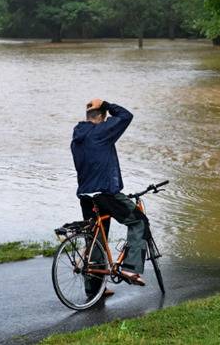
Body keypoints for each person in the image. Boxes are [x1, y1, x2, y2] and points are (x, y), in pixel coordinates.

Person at [71, 98, 148, 296]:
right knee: (139, 221)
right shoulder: (101, 131)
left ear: (87, 117)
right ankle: (131, 267)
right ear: (103, 118)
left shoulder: (77, 138)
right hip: (105, 193)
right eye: (105, 118)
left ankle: (94, 289)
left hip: (86, 195)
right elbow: (125, 116)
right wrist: (106, 103)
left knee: (96, 238)